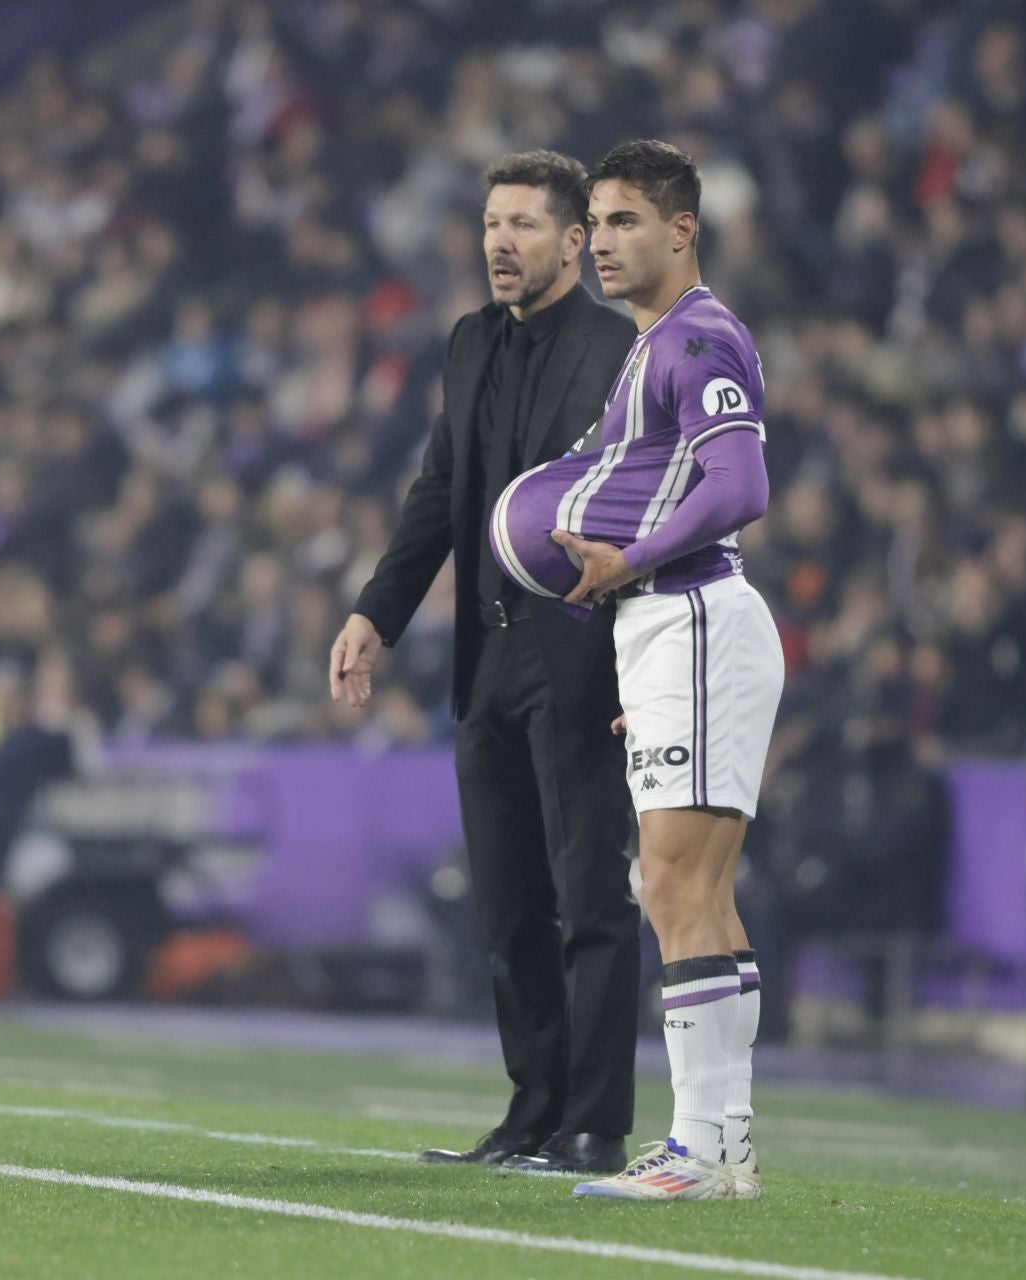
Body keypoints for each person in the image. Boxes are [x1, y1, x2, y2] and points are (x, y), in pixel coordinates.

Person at [330, 151, 640, 1176]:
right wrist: (378, 612)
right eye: (490, 223)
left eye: (522, 224)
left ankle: (595, 1123)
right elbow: (439, 492)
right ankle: (532, 1112)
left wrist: (645, 652)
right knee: (509, 905)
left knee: (591, 893)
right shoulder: (467, 343)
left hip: (585, 657)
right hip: (489, 657)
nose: (499, 241)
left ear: (574, 241)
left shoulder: (620, 347)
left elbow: (656, 499)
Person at [490, 140, 782, 1200]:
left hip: (691, 608)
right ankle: (724, 1141)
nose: (603, 242)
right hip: (673, 626)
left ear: (680, 229)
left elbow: (741, 481)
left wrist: (632, 561)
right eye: (597, 224)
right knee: (696, 885)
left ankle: (698, 1150)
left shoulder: (695, 336)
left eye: (622, 222)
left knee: (668, 882)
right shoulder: (655, 344)